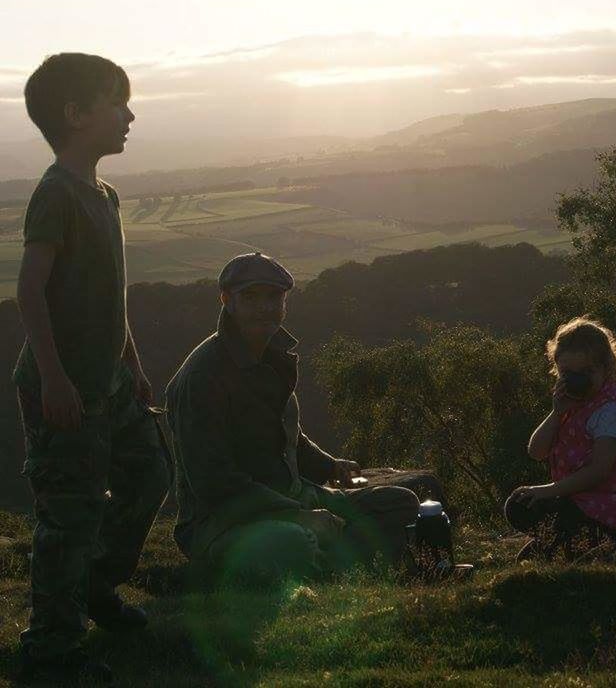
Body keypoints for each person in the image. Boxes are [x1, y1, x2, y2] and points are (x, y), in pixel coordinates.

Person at [14, 54, 172, 685]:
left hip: (108, 383)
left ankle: (97, 588)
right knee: (69, 514)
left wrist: (130, 365)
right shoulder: (56, 194)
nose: (129, 114)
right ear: (75, 115)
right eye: (116, 101)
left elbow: (111, 297)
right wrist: (53, 379)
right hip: (65, 388)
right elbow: (31, 291)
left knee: (148, 473)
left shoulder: (104, 194)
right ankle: (51, 646)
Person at [166, 251, 420, 586]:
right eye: (250, 297)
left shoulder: (272, 355)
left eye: (274, 297)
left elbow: (287, 436)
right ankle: (334, 563)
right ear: (227, 301)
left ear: (285, 302)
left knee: (400, 503)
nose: (264, 307)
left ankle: (332, 561)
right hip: (224, 521)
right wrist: (296, 513)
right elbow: (215, 482)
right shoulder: (203, 377)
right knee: (293, 542)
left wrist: (330, 467)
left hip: (296, 497)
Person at [505, 317, 616, 561]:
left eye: (586, 372)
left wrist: (547, 491)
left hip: (605, 508)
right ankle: (572, 541)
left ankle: (609, 536)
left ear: (606, 368)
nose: (578, 380)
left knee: (526, 507)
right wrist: (557, 412)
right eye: (569, 373)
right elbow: (536, 451)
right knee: (519, 505)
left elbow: (598, 471)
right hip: (579, 503)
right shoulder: (574, 405)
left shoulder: (611, 409)